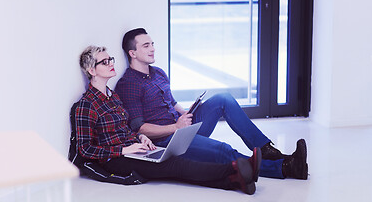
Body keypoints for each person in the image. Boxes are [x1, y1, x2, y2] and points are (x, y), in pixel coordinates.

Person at [115, 28, 308, 180]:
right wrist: (175, 127)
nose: (153, 48)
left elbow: (171, 102)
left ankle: (266, 149)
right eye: (146, 46)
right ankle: (286, 167)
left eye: (153, 44)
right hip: (167, 141)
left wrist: (187, 113)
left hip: (182, 126)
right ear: (132, 53)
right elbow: (140, 128)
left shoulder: (157, 72)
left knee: (223, 98)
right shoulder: (129, 84)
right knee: (223, 150)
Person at [75, 45, 263, 195]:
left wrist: (140, 138)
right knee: (175, 165)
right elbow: (85, 149)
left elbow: (125, 129)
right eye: (104, 61)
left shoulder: (112, 96)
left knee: (174, 164)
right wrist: (124, 149)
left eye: (111, 59)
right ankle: (234, 170)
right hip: (116, 160)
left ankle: (234, 181)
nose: (110, 63)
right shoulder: (86, 105)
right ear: (92, 70)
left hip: (134, 149)